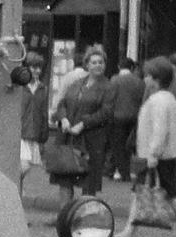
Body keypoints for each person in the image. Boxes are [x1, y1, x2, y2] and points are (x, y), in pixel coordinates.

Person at [114, 57, 176, 237]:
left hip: (156, 156)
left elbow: (160, 130)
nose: (144, 79)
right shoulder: (169, 99)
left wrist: (153, 154)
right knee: (141, 191)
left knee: (169, 194)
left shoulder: (157, 101)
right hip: (166, 155)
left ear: (155, 79)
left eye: (147, 76)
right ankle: (129, 230)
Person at [51, 44, 113, 204]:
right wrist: (63, 118)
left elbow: (106, 112)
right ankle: (64, 217)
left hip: (91, 140)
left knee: (89, 183)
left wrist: (83, 124)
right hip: (69, 139)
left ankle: (85, 220)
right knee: (65, 179)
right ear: (87, 65)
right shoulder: (77, 83)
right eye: (94, 62)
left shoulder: (108, 87)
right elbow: (62, 103)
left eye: (101, 62)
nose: (98, 65)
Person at [106, 56, 144, 181]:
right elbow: (141, 100)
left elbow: (110, 99)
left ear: (119, 67)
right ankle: (122, 169)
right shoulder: (139, 81)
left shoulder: (115, 80)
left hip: (117, 117)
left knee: (118, 145)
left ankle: (123, 172)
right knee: (129, 145)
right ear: (132, 68)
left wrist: (108, 115)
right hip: (133, 116)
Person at [18, 51, 49, 194]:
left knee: (25, 165)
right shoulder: (20, 87)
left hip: (33, 133)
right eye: (33, 67)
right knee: (24, 166)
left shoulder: (42, 88)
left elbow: (43, 113)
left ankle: (17, 190)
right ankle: (14, 186)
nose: (37, 71)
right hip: (20, 132)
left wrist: (43, 136)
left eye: (39, 68)